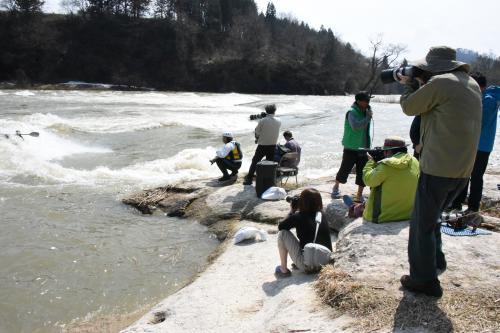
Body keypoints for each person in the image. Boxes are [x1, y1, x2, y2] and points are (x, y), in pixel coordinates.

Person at [398, 46, 482, 297]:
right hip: (462, 170)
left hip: (438, 168)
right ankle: (435, 262)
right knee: (432, 217)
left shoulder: (442, 83)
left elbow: (409, 107)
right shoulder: (471, 83)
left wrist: (410, 84)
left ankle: (424, 281)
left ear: (434, 67)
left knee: (420, 224)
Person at [450, 73, 499, 214]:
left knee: (476, 176)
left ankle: (473, 207)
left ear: (478, 86)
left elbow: (478, 123)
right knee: (464, 174)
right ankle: (457, 203)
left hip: (481, 145)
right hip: (473, 143)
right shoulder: (481, 97)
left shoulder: (488, 100)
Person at [344, 137, 419, 223]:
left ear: (389, 151)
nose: (384, 154)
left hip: (383, 216)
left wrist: (372, 161)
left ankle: (355, 208)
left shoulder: (386, 165)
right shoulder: (414, 161)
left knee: (364, 206)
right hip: (408, 213)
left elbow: (368, 180)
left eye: (384, 151)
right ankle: (361, 205)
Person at [275, 188, 332, 277]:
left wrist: (292, 211)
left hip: (309, 266)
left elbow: (281, 227)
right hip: (325, 263)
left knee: (282, 234)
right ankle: (302, 261)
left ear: (302, 202)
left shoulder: (298, 217)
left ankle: (283, 270)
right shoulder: (321, 214)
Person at [332, 91, 373, 201]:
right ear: (358, 101)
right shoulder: (351, 112)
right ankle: (335, 187)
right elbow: (355, 126)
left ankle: (359, 194)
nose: (368, 102)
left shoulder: (366, 112)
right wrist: (367, 118)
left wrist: (367, 115)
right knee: (344, 169)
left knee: (362, 172)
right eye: (366, 100)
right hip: (350, 147)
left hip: (363, 148)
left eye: (369, 100)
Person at [243, 104, 281, 185]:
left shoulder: (262, 120)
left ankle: (249, 178)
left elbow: (257, 131)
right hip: (273, 145)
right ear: (274, 111)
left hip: (263, 145)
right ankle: (269, 180)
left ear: (266, 111)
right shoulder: (279, 121)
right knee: (270, 163)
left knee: (255, 161)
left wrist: (257, 139)